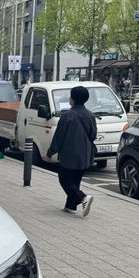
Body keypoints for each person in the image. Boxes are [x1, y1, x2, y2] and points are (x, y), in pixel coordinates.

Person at [44, 85, 97, 217]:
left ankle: (83, 197)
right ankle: (70, 206)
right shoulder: (90, 115)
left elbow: (59, 136)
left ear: (72, 99)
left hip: (70, 153)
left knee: (64, 179)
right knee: (75, 180)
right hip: (85, 153)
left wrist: (50, 152)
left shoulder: (67, 116)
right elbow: (93, 135)